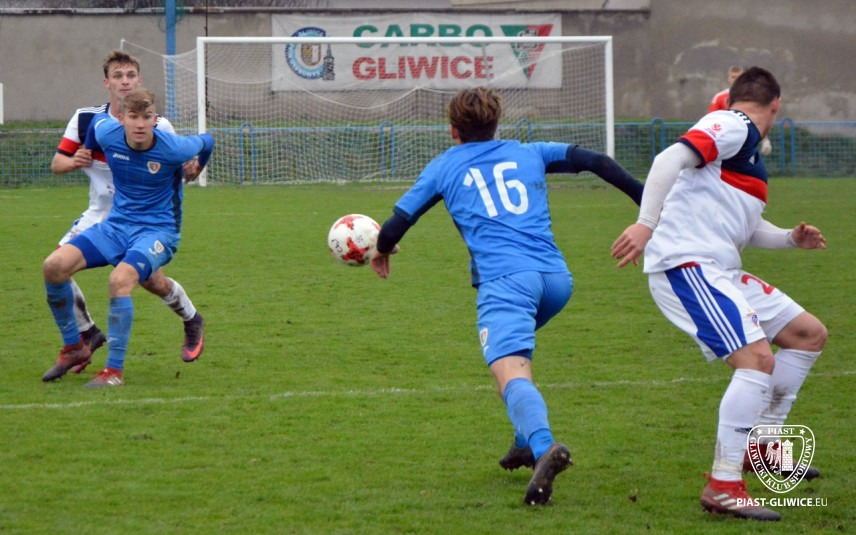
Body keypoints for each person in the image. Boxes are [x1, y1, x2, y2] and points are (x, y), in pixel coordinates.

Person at [370, 86, 644, 505]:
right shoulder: (530, 152)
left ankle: (545, 446)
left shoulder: (444, 167)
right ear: (497, 124)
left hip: (506, 284)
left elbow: (395, 225)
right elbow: (597, 162)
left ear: (453, 130)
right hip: (556, 280)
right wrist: (647, 205)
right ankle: (522, 442)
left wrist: (383, 249)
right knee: (511, 365)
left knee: (510, 369)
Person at [611, 67, 827, 521]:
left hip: (719, 268)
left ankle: (762, 445)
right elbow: (667, 159)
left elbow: (744, 228)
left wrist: (789, 239)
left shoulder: (744, 152)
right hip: (687, 264)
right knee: (757, 360)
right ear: (775, 105)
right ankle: (724, 484)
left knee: (807, 334)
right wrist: (646, 225)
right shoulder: (735, 124)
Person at [43, 50, 205, 383]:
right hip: (104, 215)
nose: (125, 81)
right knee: (56, 266)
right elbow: (58, 163)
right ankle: (82, 338)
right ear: (107, 83)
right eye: (118, 76)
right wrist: (79, 157)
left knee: (149, 282)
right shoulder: (90, 120)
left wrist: (193, 167)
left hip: (150, 221)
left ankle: (190, 318)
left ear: (139, 81)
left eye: (130, 75)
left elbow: (189, 155)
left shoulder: (162, 129)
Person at [709, 65, 772, 156]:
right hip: (725, 140)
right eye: (733, 77)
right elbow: (711, 120)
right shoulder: (719, 97)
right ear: (728, 78)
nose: (736, 80)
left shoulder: (752, 97)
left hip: (746, 140)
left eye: (739, 77)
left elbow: (757, 120)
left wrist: (765, 140)